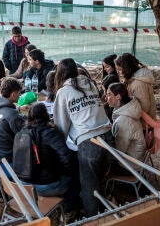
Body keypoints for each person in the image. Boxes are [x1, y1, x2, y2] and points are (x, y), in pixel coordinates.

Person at [52, 58, 112, 217]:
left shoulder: (63, 92)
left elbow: (61, 125)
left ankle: (93, 218)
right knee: (100, 180)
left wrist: (59, 145)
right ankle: (104, 211)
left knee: (89, 187)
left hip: (89, 142)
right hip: (107, 136)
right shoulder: (90, 84)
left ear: (60, 74)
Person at [12, 103, 80, 214]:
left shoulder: (21, 133)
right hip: (45, 186)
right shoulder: (51, 132)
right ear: (46, 115)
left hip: (24, 184)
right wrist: (66, 171)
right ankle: (68, 211)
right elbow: (67, 158)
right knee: (76, 178)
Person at [0, 77, 25, 162]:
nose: (20, 95)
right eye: (19, 93)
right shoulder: (12, 114)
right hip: (4, 156)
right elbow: (24, 134)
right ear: (13, 94)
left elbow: (7, 115)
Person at [106, 82, 146, 161]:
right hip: (134, 156)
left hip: (131, 164)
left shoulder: (123, 121)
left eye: (109, 94)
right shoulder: (128, 108)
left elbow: (119, 152)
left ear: (118, 97)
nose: (106, 97)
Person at [114, 53, 156, 119]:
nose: (117, 72)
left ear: (127, 69)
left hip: (143, 124)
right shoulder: (131, 79)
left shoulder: (139, 84)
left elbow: (144, 108)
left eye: (119, 69)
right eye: (117, 69)